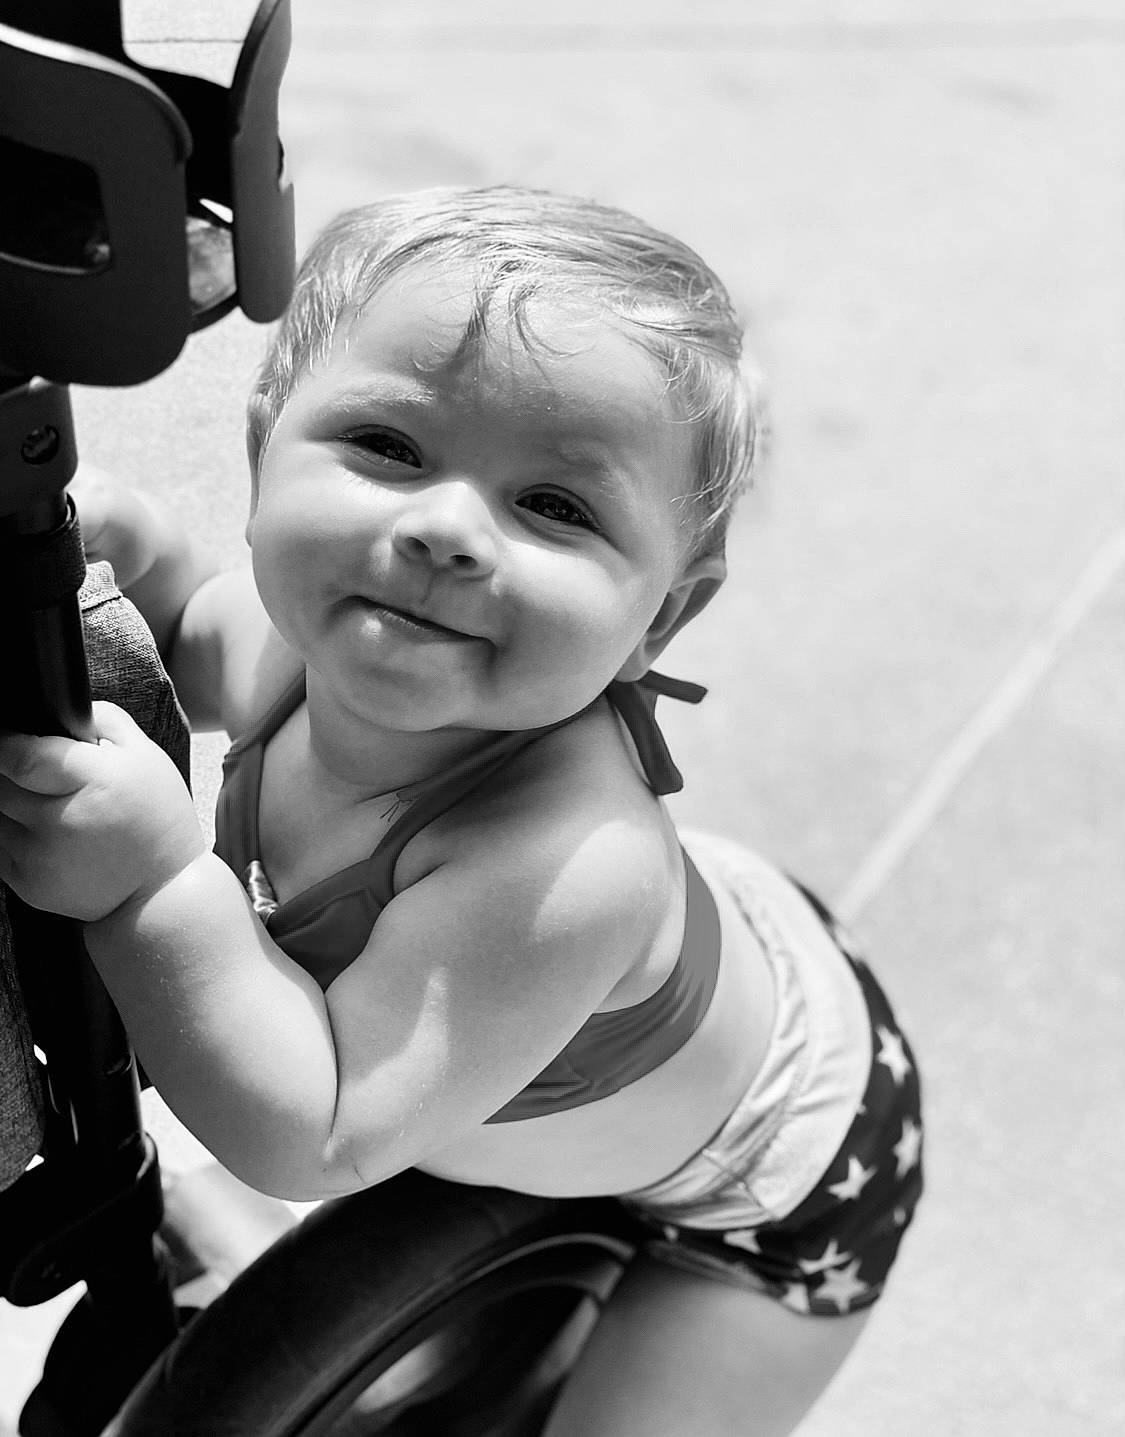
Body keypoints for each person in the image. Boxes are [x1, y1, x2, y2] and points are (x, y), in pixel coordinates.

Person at [0, 186, 922, 1435]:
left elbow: (319, 1129)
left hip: (786, 1171)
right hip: (635, 990)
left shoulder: (564, 861)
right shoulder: (302, 641)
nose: (444, 531)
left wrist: (153, 882)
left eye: (556, 506)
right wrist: (127, 552)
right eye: (387, 447)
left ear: (662, 618)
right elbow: (172, 628)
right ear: (265, 444)